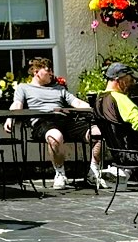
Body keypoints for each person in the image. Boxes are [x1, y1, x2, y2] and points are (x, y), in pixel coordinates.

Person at [10, 56, 89, 189]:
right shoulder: (24, 88)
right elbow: (17, 104)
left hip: (64, 120)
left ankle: (94, 171)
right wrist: (10, 118)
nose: (51, 73)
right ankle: (60, 173)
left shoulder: (59, 89)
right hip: (43, 122)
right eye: (48, 70)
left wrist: (93, 110)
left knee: (96, 131)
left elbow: (77, 102)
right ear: (36, 72)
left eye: (52, 70)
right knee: (55, 136)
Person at [86, 62, 138, 188]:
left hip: (118, 153)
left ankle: (121, 173)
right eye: (129, 79)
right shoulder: (120, 99)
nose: (133, 82)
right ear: (118, 79)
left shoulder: (99, 99)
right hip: (137, 154)